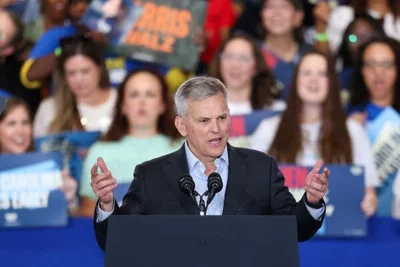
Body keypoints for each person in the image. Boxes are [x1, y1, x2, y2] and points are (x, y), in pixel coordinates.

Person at [89, 76, 330, 250]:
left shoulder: (261, 168)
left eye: (222, 118)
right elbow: (117, 242)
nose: (216, 129)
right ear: (182, 126)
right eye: (204, 120)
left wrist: (311, 200)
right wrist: (108, 204)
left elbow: (294, 230)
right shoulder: (151, 175)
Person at [251, 51, 380, 217]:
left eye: (321, 74)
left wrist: (369, 201)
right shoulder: (269, 129)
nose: (313, 79)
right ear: (296, 80)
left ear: (332, 83)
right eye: (307, 73)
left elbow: (369, 190)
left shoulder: (353, 131)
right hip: (283, 233)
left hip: (338, 234)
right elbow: (254, 187)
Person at [79, 69, 182, 217]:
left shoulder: (186, 148)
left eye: (150, 94)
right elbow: (88, 211)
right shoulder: (99, 151)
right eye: (134, 95)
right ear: (122, 105)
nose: (142, 102)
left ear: (163, 105)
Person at [0, 97, 79, 214]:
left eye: (25, 123)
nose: (20, 131)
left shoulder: (49, 167)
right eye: (11, 124)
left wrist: (69, 199)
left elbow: (69, 220)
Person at [33, 35, 116, 137]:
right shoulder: (49, 108)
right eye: (71, 73)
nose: (79, 80)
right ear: (63, 75)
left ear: (100, 69)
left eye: (85, 71)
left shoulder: (120, 100)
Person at [210, 33, 284, 115]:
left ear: (256, 67)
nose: (235, 65)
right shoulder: (200, 109)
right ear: (219, 63)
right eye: (229, 56)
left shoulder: (275, 111)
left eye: (244, 58)